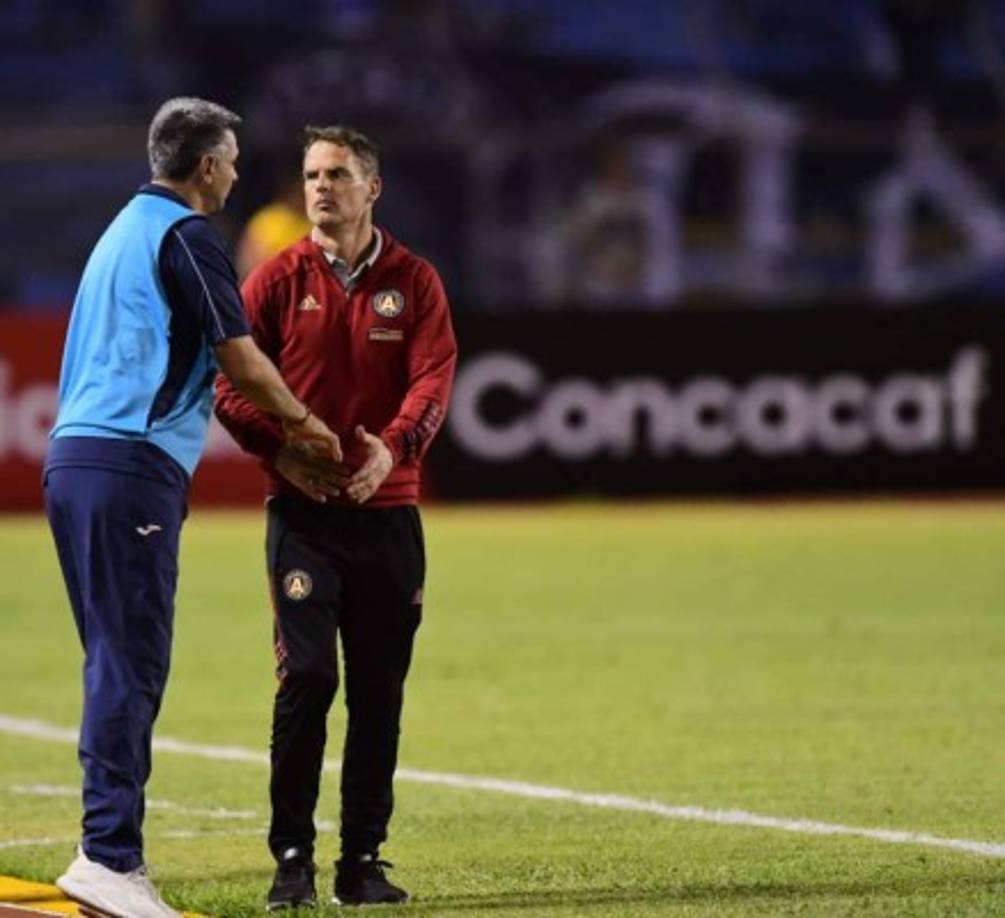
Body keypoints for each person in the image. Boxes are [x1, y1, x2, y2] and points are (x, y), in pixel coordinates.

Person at [44, 97, 340, 918]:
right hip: (128, 463)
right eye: (232, 157)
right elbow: (240, 362)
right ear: (206, 164)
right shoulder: (187, 237)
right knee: (131, 660)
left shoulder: (121, 232)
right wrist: (308, 427)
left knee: (113, 656)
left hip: (77, 461)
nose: (239, 171)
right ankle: (108, 856)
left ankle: (105, 849)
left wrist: (273, 444)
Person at [214, 124, 457, 909]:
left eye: (339, 174)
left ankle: (362, 862)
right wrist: (277, 453)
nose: (320, 187)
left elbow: (433, 377)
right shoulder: (275, 279)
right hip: (304, 517)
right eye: (313, 174)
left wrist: (393, 450)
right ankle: (292, 858)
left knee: (378, 691)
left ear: (372, 188)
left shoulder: (413, 282)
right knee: (308, 679)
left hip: (388, 517)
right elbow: (227, 386)